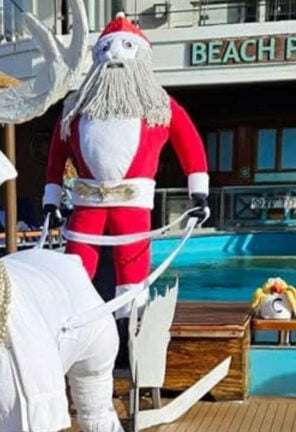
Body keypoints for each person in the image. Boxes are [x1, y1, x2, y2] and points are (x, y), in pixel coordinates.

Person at [42, 13, 210, 319]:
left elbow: (191, 146)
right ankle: (73, 325)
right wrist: (51, 200)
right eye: (106, 49)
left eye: (126, 47)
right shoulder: (75, 109)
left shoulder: (159, 106)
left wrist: (198, 193)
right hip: (87, 204)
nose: (114, 55)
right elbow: (56, 154)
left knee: (132, 272)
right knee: (75, 270)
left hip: (132, 205)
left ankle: (129, 329)